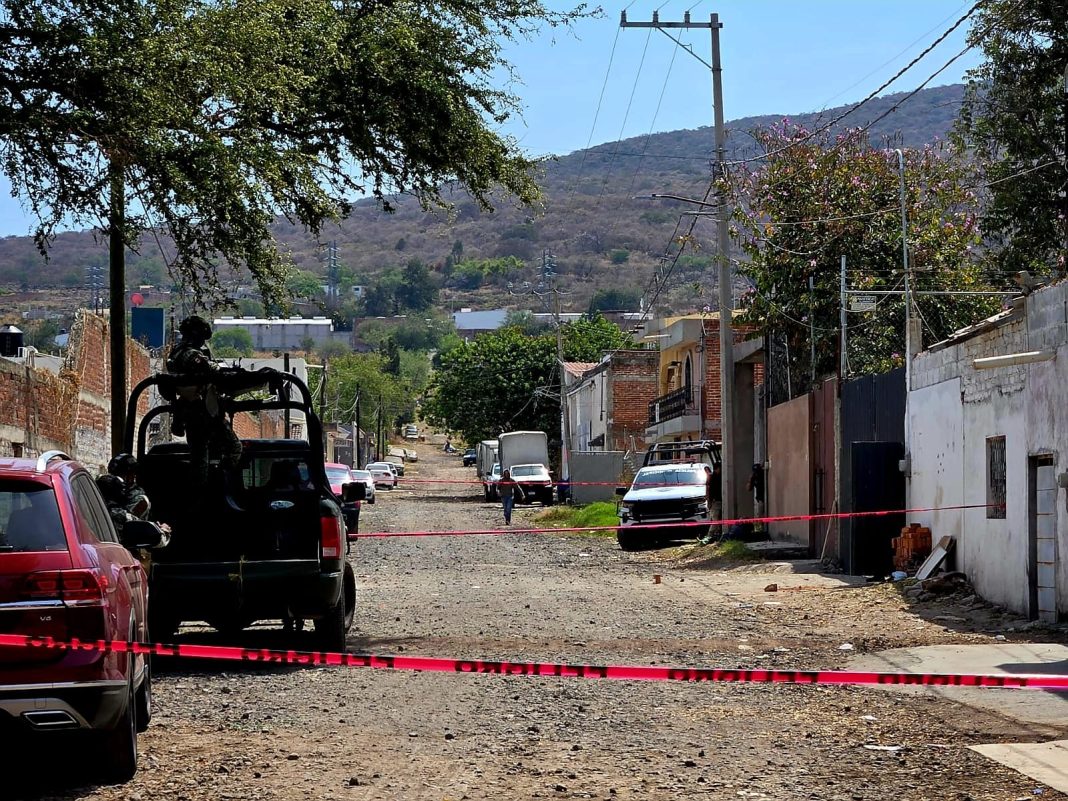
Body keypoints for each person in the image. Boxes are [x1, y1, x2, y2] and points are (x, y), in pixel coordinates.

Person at [165, 315, 243, 488]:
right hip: (202, 412)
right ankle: (218, 485)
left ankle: (204, 487)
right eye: (201, 337)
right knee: (233, 448)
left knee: (200, 457)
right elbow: (208, 369)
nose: (202, 342)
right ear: (195, 335)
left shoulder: (176, 353)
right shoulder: (190, 354)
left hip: (193, 412)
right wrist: (223, 370)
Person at [108, 452, 150, 519]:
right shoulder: (112, 490)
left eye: (120, 474)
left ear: (131, 475)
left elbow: (125, 519)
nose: (115, 478)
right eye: (113, 475)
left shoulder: (140, 499)